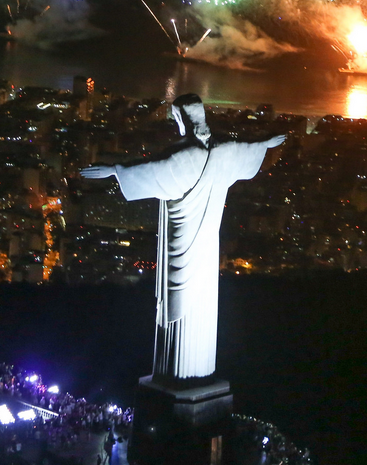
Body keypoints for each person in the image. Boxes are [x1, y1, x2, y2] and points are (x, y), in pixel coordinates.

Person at [81, 94, 284, 380]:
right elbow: (246, 149)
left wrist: (114, 170)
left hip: (181, 242)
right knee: (201, 306)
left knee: (178, 307)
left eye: (175, 117)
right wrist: (265, 143)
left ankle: (176, 377)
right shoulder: (224, 148)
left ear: (181, 119)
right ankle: (194, 373)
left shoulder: (184, 155)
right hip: (207, 246)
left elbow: (152, 170)